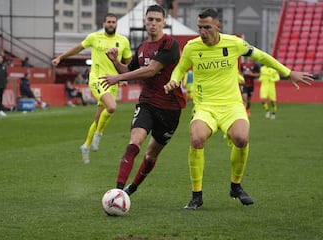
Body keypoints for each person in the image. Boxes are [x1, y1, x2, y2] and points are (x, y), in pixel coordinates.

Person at [163, 8, 314, 210]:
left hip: (232, 106)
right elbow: (180, 68)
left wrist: (288, 72)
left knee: (242, 138)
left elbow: (261, 56)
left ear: (218, 26)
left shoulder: (234, 43)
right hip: (205, 106)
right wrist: (174, 80)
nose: (202, 31)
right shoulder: (192, 47)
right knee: (197, 138)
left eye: (207, 27)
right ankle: (196, 195)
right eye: (200, 27)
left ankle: (236, 186)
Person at [101, 4, 186, 196]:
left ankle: (133, 188)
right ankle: (118, 192)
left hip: (170, 108)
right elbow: (130, 71)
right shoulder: (142, 47)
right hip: (147, 103)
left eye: (157, 20)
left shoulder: (169, 44)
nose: (153, 23)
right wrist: (116, 63)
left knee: (150, 155)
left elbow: (150, 70)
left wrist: (117, 78)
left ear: (164, 22)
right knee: (134, 142)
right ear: (144, 22)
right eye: (150, 20)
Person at [52, 13, 132, 164]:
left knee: (98, 118)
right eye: (108, 22)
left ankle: (86, 145)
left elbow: (128, 64)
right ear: (103, 23)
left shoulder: (123, 41)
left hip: (112, 82)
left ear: (116, 24)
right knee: (112, 107)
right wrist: (61, 57)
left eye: (113, 22)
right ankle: (99, 135)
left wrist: (123, 78)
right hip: (97, 79)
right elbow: (77, 48)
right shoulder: (94, 37)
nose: (111, 24)